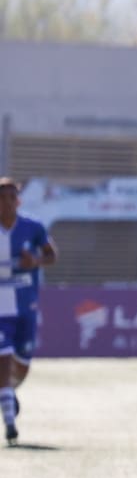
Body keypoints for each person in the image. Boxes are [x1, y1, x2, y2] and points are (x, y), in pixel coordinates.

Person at [0, 177, 56, 445]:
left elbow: (52, 255)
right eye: (1, 198)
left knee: (20, 366)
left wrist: (34, 261)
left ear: (18, 201)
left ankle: (8, 392)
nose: (6, 203)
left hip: (25, 304)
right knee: (3, 357)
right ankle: (9, 421)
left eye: (11, 197)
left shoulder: (32, 227)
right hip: (0, 307)